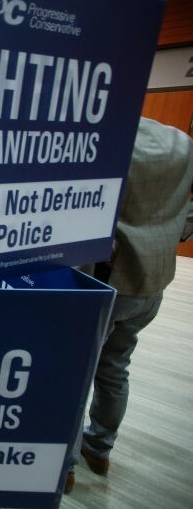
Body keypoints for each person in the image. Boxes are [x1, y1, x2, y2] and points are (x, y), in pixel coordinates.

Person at [66, 117, 193, 492]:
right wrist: (172, 233)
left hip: (105, 281)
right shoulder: (180, 142)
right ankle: (100, 450)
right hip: (151, 283)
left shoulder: (106, 140)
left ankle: (67, 467)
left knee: (77, 377)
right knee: (116, 368)